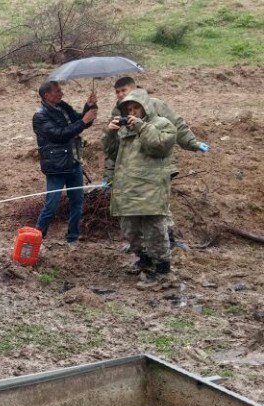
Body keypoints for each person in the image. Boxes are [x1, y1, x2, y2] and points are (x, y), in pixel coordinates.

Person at [102, 76, 208, 250]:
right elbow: (115, 150)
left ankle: (169, 243)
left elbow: (176, 126)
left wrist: (193, 143)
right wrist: (109, 174)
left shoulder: (156, 105)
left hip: (157, 165)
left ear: (134, 89)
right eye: (117, 92)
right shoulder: (119, 112)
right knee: (135, 211)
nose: (121, 95)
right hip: (132, 171)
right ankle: (143, 248)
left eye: (124, 91)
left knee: (158, 209)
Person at [107, 93, 178, 287]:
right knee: (130, 230)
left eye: (135, 108)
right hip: (127, 189)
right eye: (128, 110)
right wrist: (111, 134)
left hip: (150, 189)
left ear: (145, 107)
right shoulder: (124, 130)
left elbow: (158, 145)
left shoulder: (162, 124)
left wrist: (140, 126)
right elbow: (111, 154)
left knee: (154, 231)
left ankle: (163, 270)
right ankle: (144, 260)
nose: (132, 113)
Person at [33, 80, 97, 247]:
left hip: (74, 162)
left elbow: (79, 121)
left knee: (78, 202)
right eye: (57, 91)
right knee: (52, 204)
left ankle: (73, 238)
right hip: (56, 166)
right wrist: (83, 121)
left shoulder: (63, 107)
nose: (62, 93)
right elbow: (59, 134)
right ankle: (37, 238)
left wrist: (88, 106)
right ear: (47, 95)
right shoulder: (40, 116)